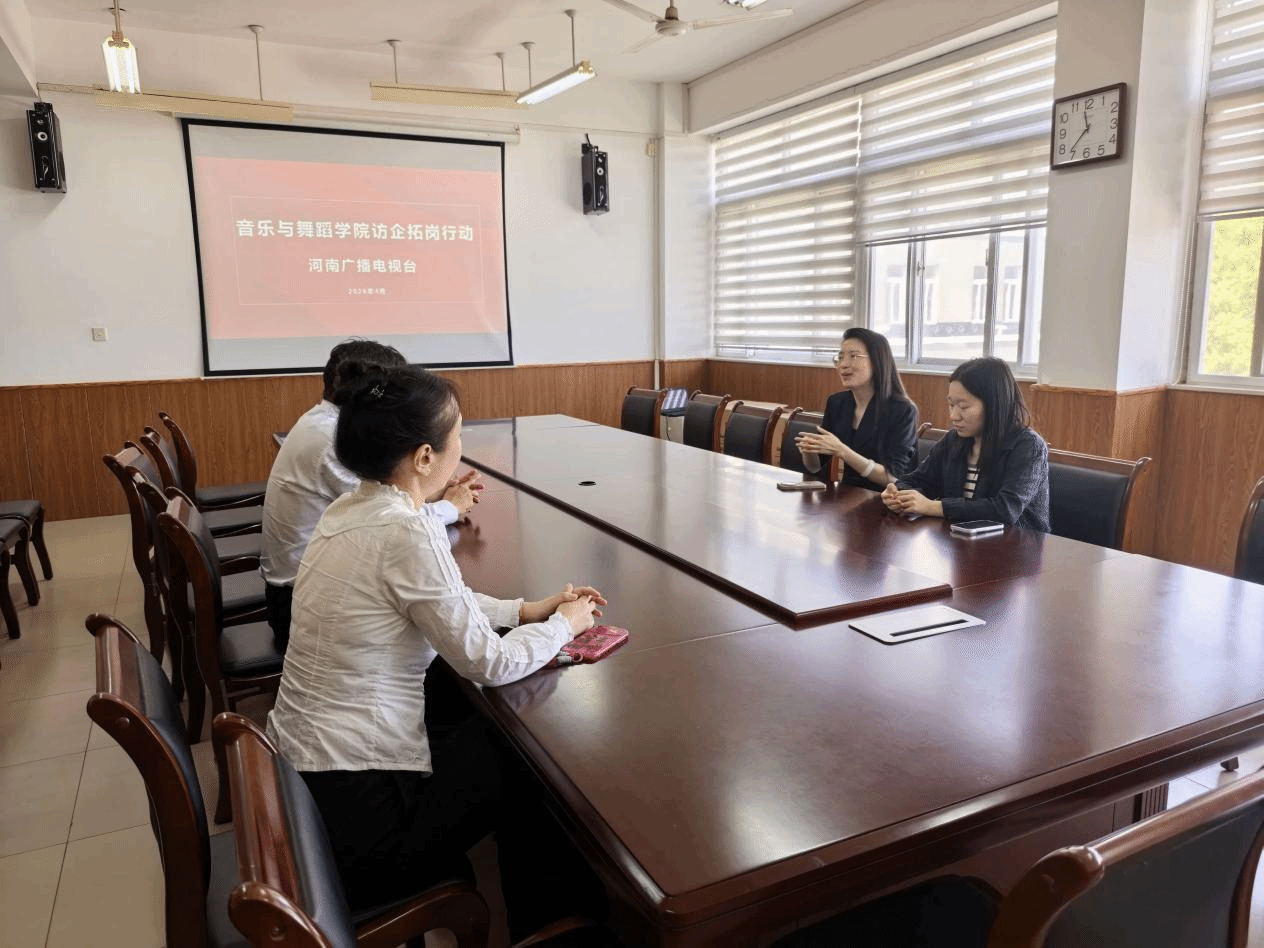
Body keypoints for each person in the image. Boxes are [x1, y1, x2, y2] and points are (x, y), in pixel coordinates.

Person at [265, 362, 609, 942]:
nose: (461, 447)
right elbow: (489, 664)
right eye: (458, 436)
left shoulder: (354, 508)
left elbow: (439, 599)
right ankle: (552, 930)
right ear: (425, 457)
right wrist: (563, 626)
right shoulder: (405, 531)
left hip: (311, 778)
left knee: (482, 726)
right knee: (528, 763)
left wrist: (524, 610)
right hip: (362, 822)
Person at [260, 339, 482, 651]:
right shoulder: (335, 441)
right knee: (437, 631)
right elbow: (390, 520)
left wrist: (430, 487)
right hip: (300, 607)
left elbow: (385, 503)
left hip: (306, 592)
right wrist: (450, 506)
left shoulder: (323, 422)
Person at [882, 357, 1049, 531]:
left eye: (964, 406)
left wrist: (934, 507)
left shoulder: (1029, 446)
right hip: (960, 540)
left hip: (1017, 542)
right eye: (951, 405)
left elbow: (1005, 509)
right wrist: (897, 492)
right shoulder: (953, 440)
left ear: (994, 405)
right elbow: (919, 480)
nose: (954, 416)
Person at [794, 328, 919, 489]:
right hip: (849, 496)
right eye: (840, 357)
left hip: (890, 499)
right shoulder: (837, 403)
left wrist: (842, 451)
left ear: (876, 361)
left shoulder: (903, 410)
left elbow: (894, 478)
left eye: (853, 356)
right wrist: (809, 451)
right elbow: (815, 467)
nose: (843, 365)